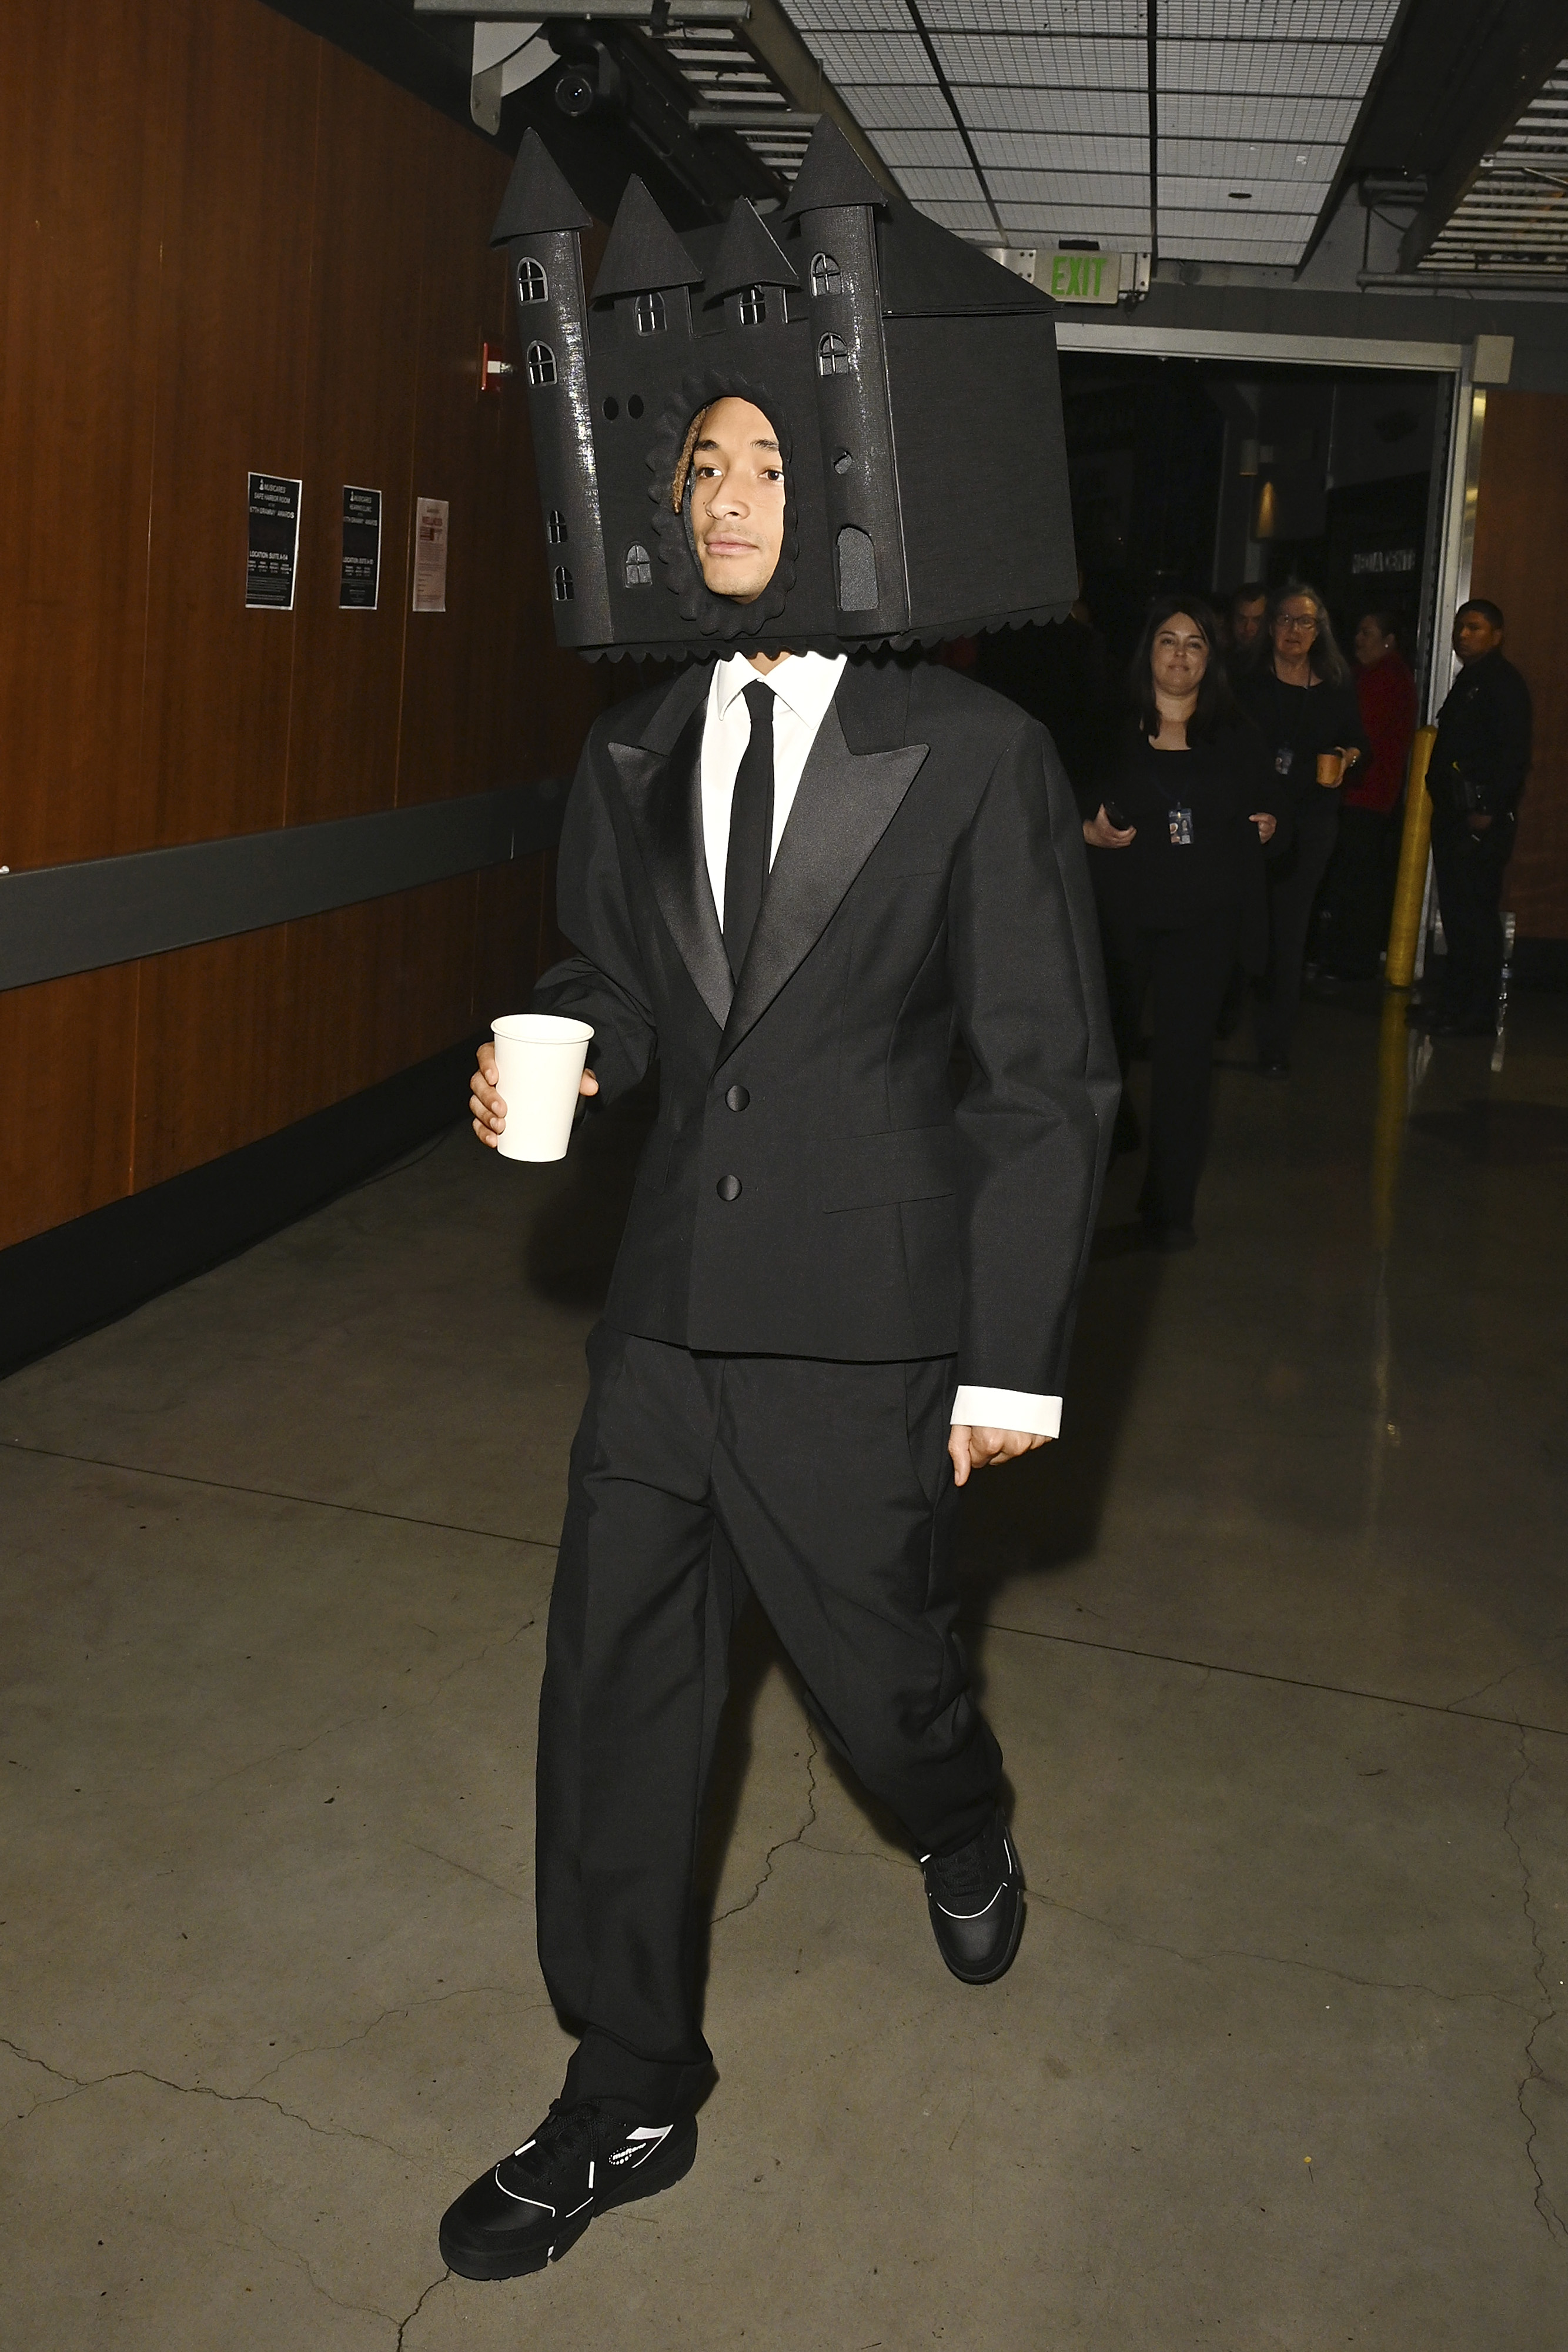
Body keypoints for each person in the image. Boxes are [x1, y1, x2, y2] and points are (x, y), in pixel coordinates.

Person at [441, 393, 1118, 2280]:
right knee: (612, 1698)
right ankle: (628, 2079)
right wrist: (553, 1060)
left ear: (850, 503)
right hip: (665, 1316)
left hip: (866, 1326)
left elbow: (1045, 1070)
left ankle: (959, 1814)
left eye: (771, 469)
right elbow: (618, 985)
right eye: (706, 472)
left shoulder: (974, 749)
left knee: (882, 1679)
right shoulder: (631, 744)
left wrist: (1006, 1356)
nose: (732, 502)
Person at [1083, 597, 1279, 1247]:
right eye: (1168, 641)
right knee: (1098, 1051)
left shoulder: (1238, 736)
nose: (1180, 655)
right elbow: (1051, 801)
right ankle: (1082, 1185)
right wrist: (1086, 829)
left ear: (1210, 661)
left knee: (1185, 1066)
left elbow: (1273, 817)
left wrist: (1272, 826)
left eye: (1195, 645)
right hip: (1121, 915)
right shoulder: (1107, 728)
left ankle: (1168, 1214)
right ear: (1149, 652)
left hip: (1205, 920)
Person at [1235, 582, 1368, 1075]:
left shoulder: (1334, 683)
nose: (1294, 631)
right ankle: (1221, 1014)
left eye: (1304, 622)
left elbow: (1360, 742)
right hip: (1250, 822)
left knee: (1288, 937)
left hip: (1310, 822)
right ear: (1270, 627)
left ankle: (1274, 1049)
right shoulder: (1245, 680)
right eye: (1285, 620)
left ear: (1319, 631)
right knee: (1241, 927)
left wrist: (1344, 756)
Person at [1412, 599, 1533, 1034]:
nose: (1462, 635)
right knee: (1457, 915)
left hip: (1479, 820)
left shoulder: (1502, 683)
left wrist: (1488, 808)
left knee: (1474, 917)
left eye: (1474, 628)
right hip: (1454, 814)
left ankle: (1476, 1014)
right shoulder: (1472, 680)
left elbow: (1512, 755)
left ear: (1496, 635)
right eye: (1459, 627)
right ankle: (1452, 1004)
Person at [1313, 610, 1417, 981]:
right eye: (1358, 631)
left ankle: (1351, 963)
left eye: (1367, 632)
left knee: (1357, 883)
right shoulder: (1363, 675)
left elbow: (1360, 731)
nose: (1358, 639)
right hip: (1358, 794)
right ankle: (1343, 959)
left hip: (1367, 794)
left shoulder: (1387, 678)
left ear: (1388, 640)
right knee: (1349, 880)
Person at [1224, 584, 1268, 680]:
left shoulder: (1273, 665)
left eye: (1257, 620)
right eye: (1241, 619)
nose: (1248, 628)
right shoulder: (1220, 659)